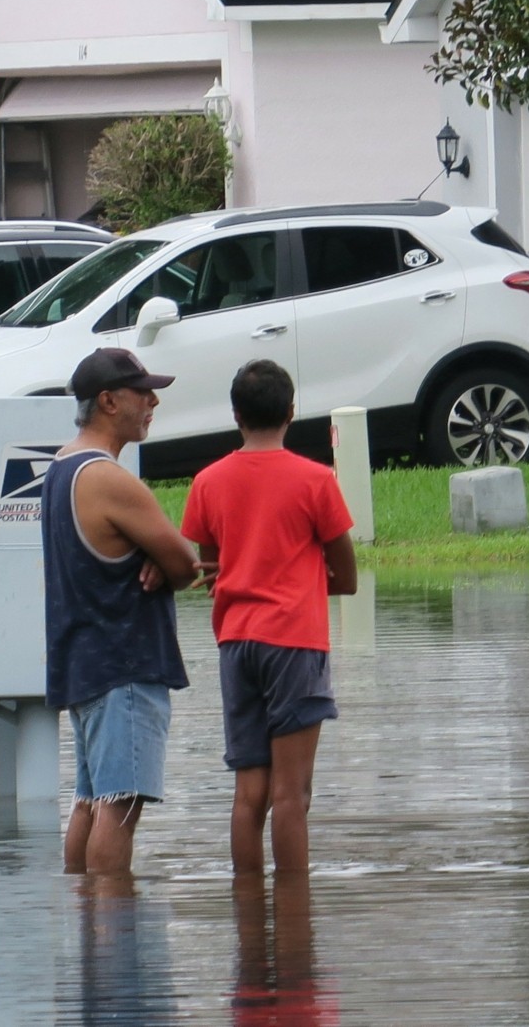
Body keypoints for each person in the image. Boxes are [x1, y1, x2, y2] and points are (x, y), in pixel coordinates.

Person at [181, 359, 357, 873]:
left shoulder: (208, 482)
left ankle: (249, 914)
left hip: (236, 642)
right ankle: (294, 918)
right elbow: (345, 575)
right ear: (292, 412)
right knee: (292, 794)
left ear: (235, 414)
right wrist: (302, 582)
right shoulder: (315, 480)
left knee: (248, 794)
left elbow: (212, 565)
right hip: (295, 641)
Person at [44, 347, 199, 874]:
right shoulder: (109, 478)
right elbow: (184, 563)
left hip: (83, 663)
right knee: (122, 804)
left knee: (90, 801)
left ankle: (87, 929)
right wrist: (169, 559)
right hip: (125, 664)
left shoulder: (59, 468)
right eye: (142, 393)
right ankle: (115, 942)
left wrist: (160, 555)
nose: (152, 401)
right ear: (109, 401)